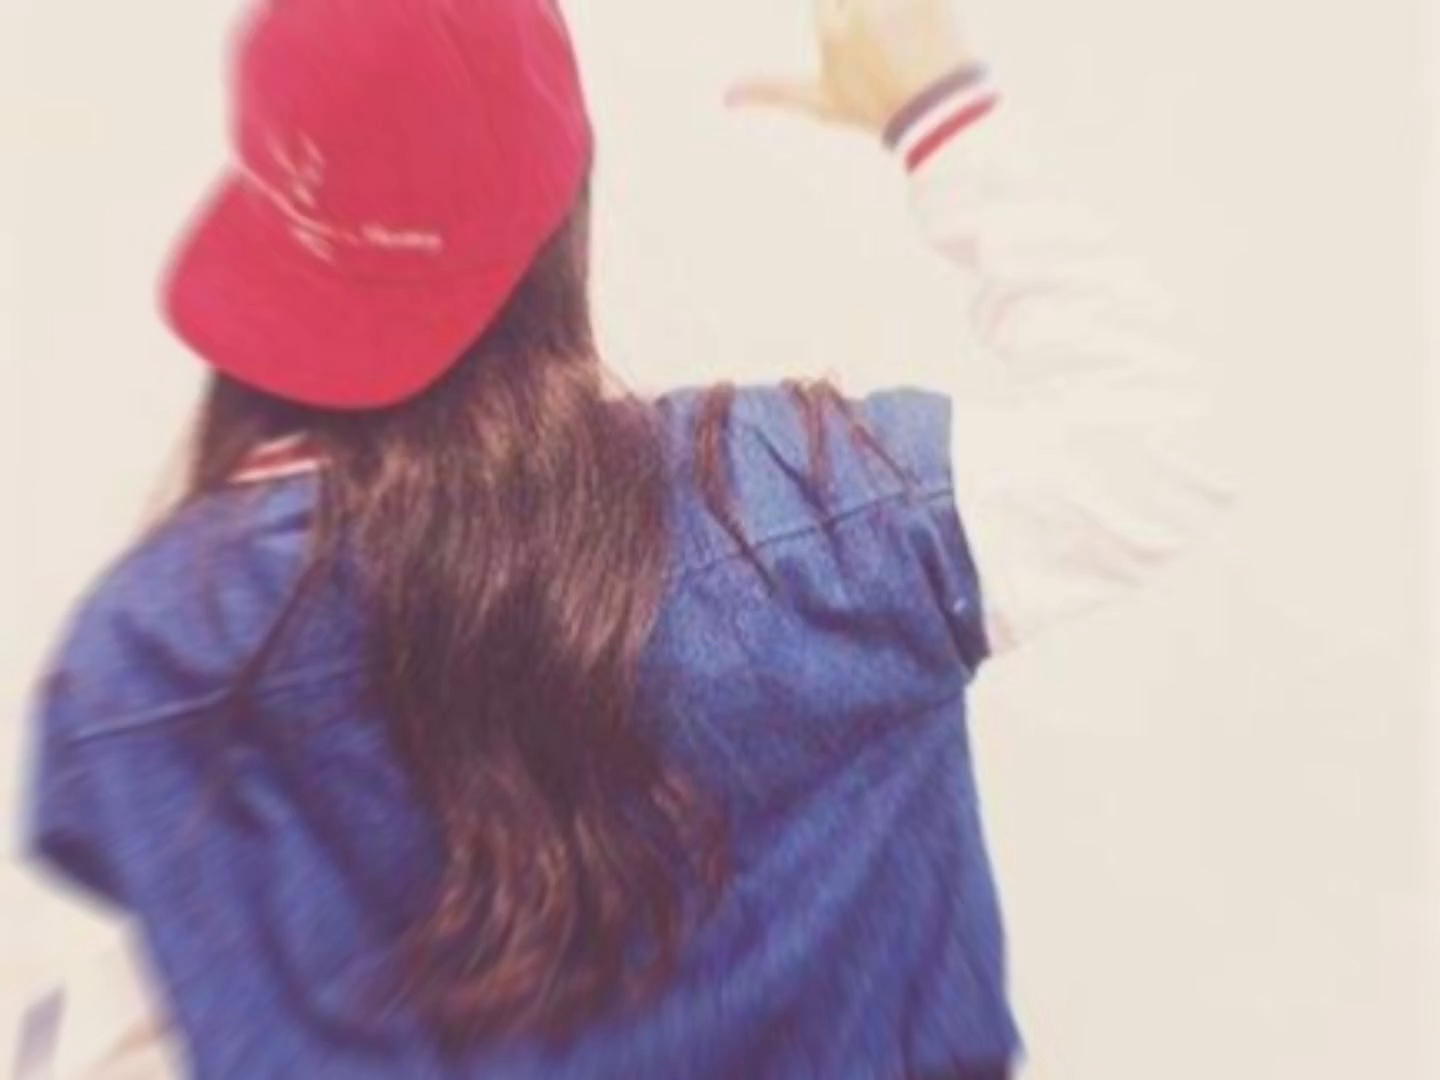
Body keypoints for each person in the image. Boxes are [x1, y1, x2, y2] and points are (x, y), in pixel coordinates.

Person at [23, 0, 1233, 1076]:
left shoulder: (143, 655)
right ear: (562, 214)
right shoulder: (800, 516)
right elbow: (1157, 450)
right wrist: (939, 112)